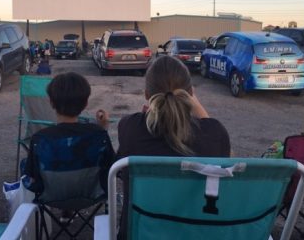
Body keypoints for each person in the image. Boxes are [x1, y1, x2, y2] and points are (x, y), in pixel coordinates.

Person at [116, 56, 230, 239]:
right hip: (197, 233)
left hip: (142, 233)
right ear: (191, 94)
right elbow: (227, 161)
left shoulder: (130, 128)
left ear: (147, 95)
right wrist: (196, 105)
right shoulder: (214, 133)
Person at [21, 72, 115, 221]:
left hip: (51, 197)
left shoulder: (40, 139)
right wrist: (102, 129)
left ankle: (66, 212)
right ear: (85, 104)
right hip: (92, 196)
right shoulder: (98, 134)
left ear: (51, 103)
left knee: (27, 165)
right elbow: (111, 166)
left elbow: (33, 177)